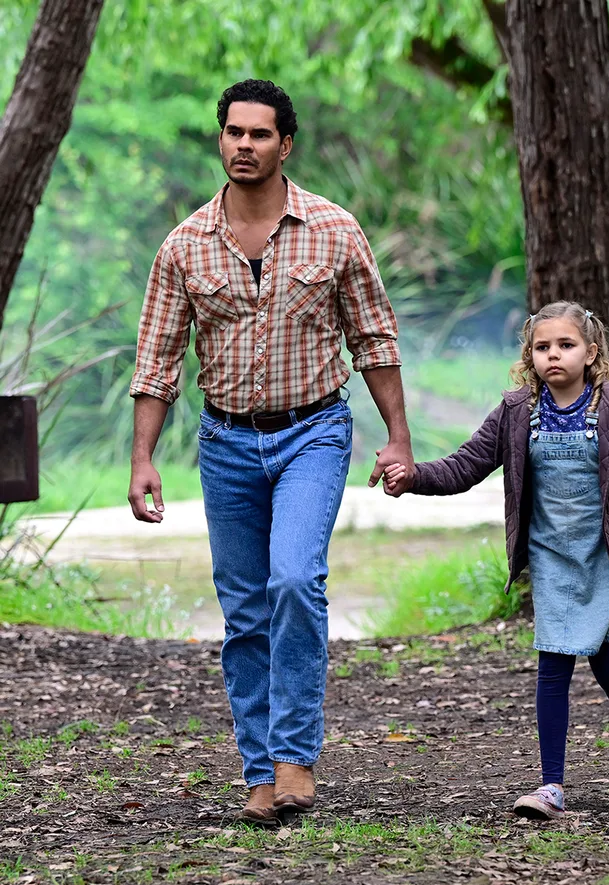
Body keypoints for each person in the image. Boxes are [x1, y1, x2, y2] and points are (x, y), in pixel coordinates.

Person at [128, 79, 413, 825]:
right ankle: (259, 772)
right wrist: (143, 458)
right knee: (245, 611)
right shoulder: (185, 244)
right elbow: (157, 360)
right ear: (220, 139)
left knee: (293, 579)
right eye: (233, 132)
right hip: (225, 442)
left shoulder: (334, 230)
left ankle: (294, 759)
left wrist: (397, 435)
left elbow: (373, 338)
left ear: (285, 145)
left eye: (259, 134)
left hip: (313, 432)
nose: (244, 145)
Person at [384, 301, 609, 819]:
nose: (553, 355)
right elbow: (466, 465)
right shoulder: (518, 412)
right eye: (542, 347)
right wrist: (415, 477)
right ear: (529, 356)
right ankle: (551, 785)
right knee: (553, 666)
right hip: (552, 560)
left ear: (591, 353)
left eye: (565, 345)